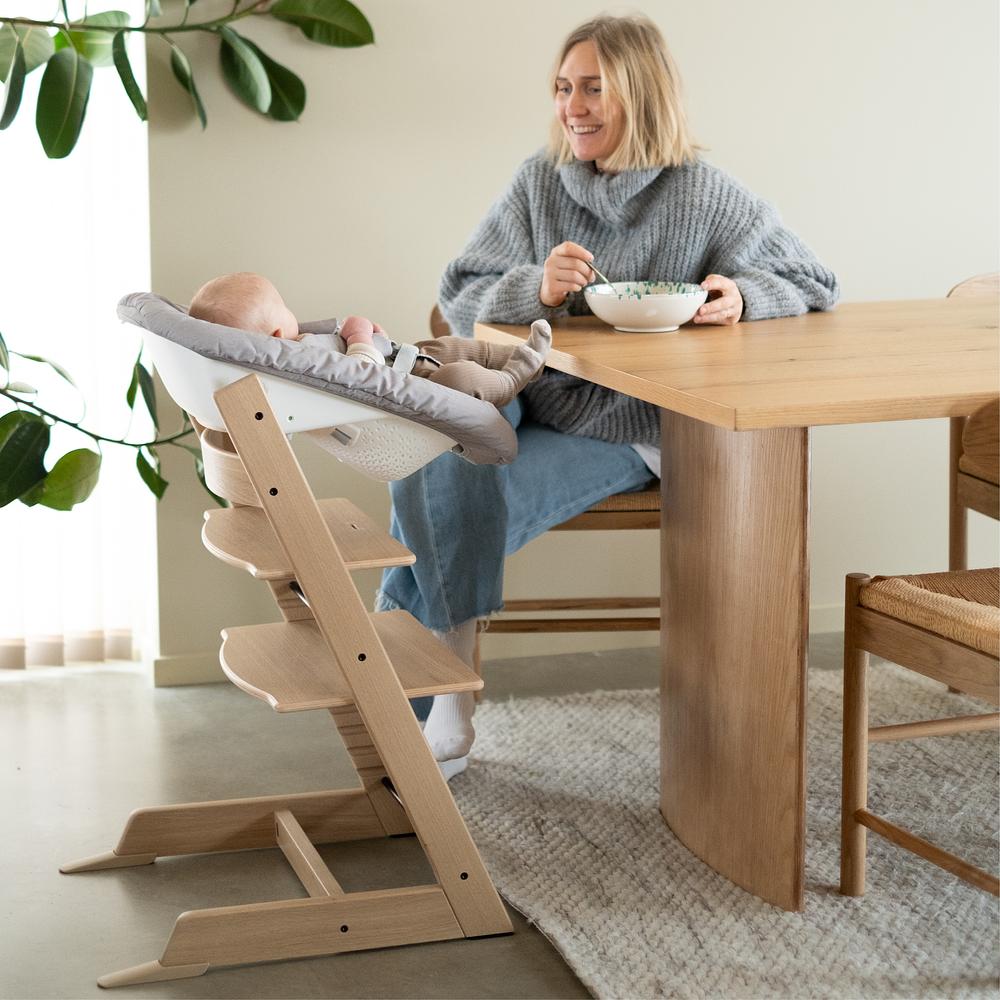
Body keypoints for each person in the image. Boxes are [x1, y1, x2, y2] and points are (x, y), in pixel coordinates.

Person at [376, 13, 840, 772]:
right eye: (563, 88)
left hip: (634, 424)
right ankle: (436, 699)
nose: (573, 107)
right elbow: (460, 292)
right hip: (537, 399)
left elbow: (813, 281)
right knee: (441, 445)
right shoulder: (538, 182)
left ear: (641, 93)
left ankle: (404, 714)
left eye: (593, 88)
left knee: (447, 502)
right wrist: (536, 287)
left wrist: (743, 295)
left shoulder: (704, 194)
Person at [188, 272, 552, 407]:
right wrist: (361, 339)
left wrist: (377, 341)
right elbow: (359, 380)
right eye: (284, 307)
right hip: (417, 392)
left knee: (449, 347)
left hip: (406, 360)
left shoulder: (296, 350)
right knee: (460, 378)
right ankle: (516, 373)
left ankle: (519, 356)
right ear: (277, 335)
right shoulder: (299, 360)